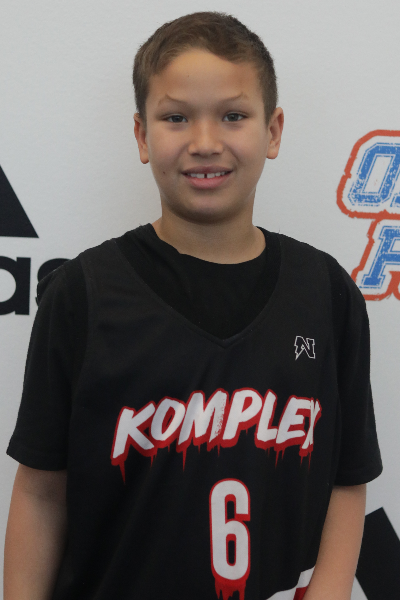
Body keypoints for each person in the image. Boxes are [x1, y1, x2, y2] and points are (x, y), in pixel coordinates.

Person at [4, 11, 382, 600]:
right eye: (176, 117)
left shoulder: (327, 294)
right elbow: (41, 491)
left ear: (273, 130)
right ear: (141, 135)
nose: (205, 143)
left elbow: (347, 476)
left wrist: (330, 590)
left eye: (233, 116)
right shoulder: (82, 294)